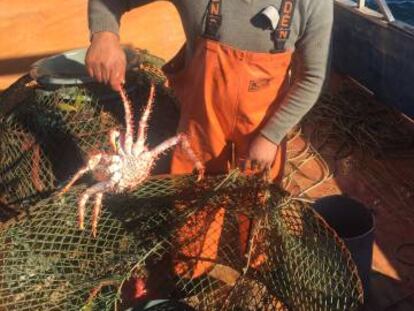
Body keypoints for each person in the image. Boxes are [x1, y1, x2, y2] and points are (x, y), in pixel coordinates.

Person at [86, 0, 333, 299]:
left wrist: (271, 136)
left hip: (263, 138)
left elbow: (311, 78)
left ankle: (255, 267)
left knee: (259, 215)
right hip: (199, 136)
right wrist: (104, 35)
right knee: (193, 217)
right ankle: (192, 278)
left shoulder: (312, 4)